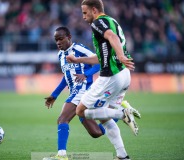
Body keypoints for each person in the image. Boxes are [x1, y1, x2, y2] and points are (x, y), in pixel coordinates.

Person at [43, 26, 140, 160]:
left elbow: (100, 61)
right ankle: (121, 112)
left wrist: (85, 74)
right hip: (76, 92)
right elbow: (67, 76)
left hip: (82, 90)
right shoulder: (61, 55)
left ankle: (61, 156)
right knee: (96, 132)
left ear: (69, 37)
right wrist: (54, 95)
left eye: (60, 39)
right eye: (56, 40)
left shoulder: (79, 49)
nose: (58, 42)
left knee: (62, 119)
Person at [66, 0, 139, 159]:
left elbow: (112, 37)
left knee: (81, 111)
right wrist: (78, 60)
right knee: (104, 117)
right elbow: (100, 58)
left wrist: (120, 55)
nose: (84, 17)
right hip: (124, 74)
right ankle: (122, 155)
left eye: (85, 13)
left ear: (94, 10)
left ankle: (122, 114)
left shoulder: (98, 23)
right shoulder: (112, 21)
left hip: (111, 77)